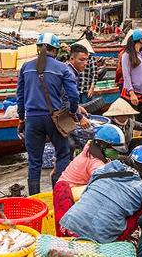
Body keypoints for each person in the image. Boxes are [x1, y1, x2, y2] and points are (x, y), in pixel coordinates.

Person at [16, 33, 82, 195]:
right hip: (55, 119)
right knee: (62, 154)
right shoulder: (61, 68)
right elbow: (73, 95)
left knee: (34, 162)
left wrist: (21, 119)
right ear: (56, 50)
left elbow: (20, 97)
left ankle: (35, 200)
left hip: (32, 120)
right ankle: (58, 194)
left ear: (38, 48)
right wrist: (73, 112)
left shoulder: (26, 67)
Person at [58, 145, 142, 243]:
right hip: (100, 244)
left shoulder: (103, 169)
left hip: (67, 231)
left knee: (65, 187)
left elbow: (87, 192)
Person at [54, 125, 128, 235]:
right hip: (67, 194)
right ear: (103, 146)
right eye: (114, 149)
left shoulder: (93, 150)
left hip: (71, 189)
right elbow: (105, 185)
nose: (116, 153)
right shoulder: (95, 163)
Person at [120, 29, 142, 123]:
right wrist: (131, 92)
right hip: (133, 93)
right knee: (132, 122)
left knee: (141, 120)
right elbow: (126, 75)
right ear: (141, 40)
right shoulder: (127, 55)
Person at [72, 39, 98, 104]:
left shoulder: (92, 59)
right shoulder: (75, 59)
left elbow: (94, 75)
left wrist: (91, 89)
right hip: (77, 88)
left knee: (86, 108)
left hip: (86, 88)